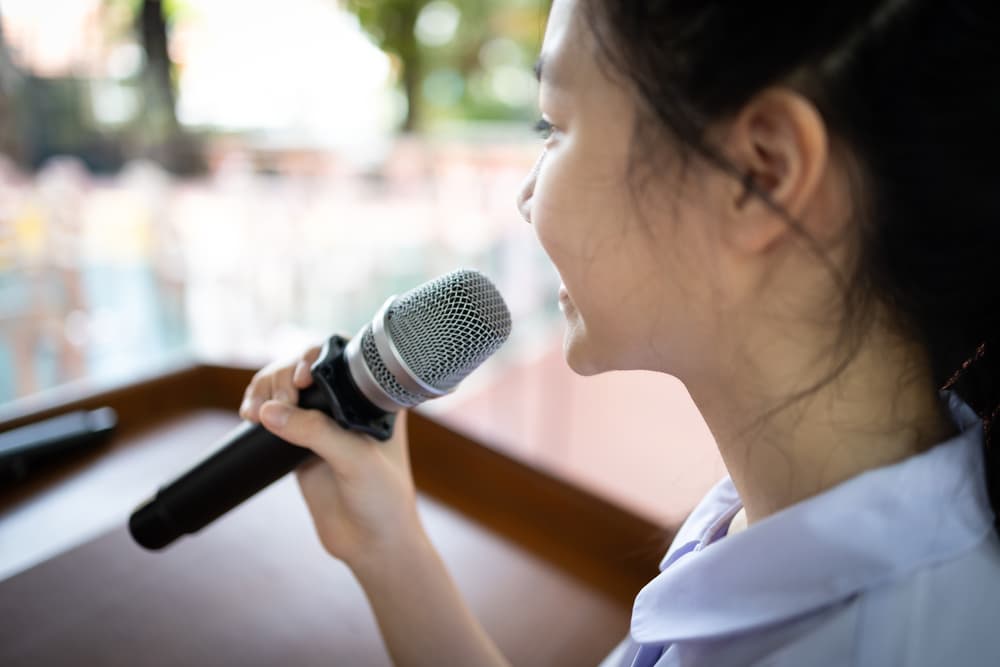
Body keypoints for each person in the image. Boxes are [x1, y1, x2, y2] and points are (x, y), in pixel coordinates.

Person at [239, 0, 1000, 664]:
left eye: (554, 125)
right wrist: (387, 544)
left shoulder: (879, 643)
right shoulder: (800, 506)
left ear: (760, 175)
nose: (526, 196)